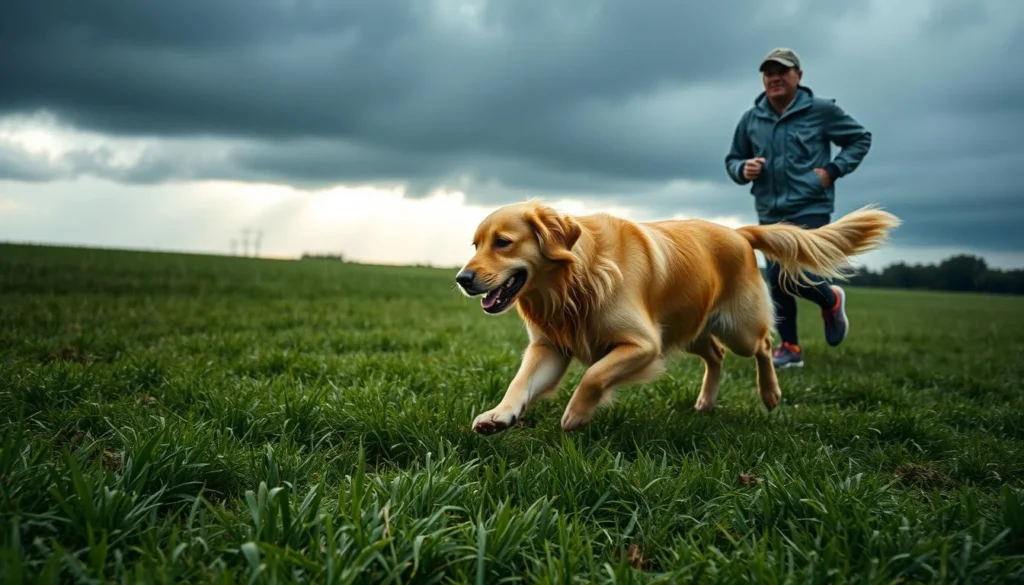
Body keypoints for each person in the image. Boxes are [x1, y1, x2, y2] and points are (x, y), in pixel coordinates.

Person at [725, 48, 872, 369]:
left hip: (810, 206)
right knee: (779, 281)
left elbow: (860, 139)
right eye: (768, 73)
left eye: (782, 71)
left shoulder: (820, 110)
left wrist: (831, 172)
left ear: (798, 76)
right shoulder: (751, 119)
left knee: (783, 274)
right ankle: (791, 346)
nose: (774, 78)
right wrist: (743, 168)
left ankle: (830, 300)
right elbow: (733, 160)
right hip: (769, 211)